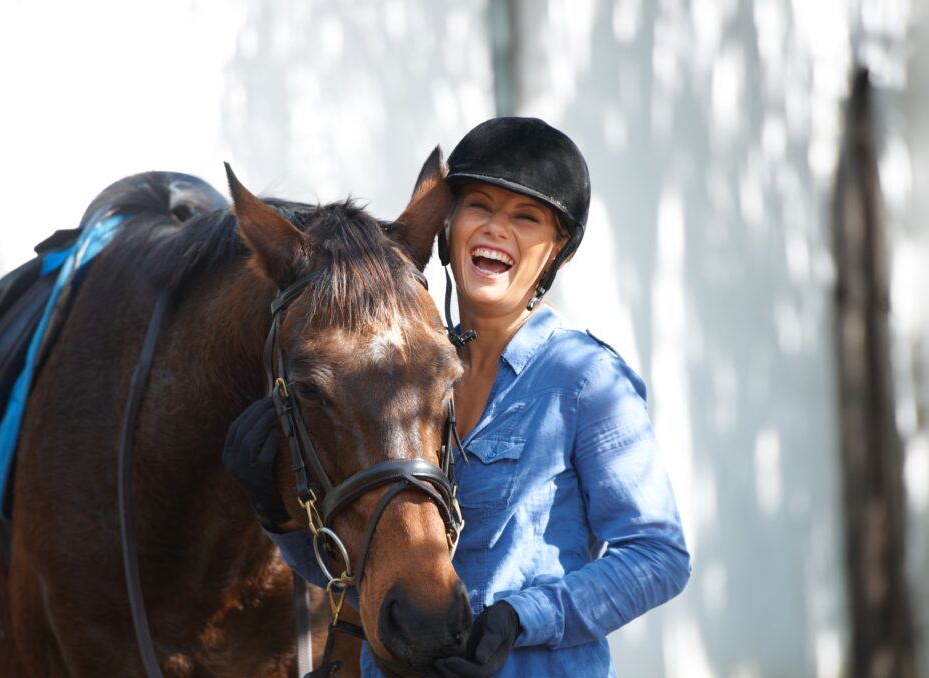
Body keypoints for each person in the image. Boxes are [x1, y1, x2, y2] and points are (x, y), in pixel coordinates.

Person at [224, 117, 691, 677]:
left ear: (558, 249)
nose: (497, 229)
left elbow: (659, 558)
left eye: (526, 218)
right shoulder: (394, 377)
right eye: (480, 207)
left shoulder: (587, 379)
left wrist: (520, 619)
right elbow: (354, 575)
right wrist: (280, 519)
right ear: (446, 228)